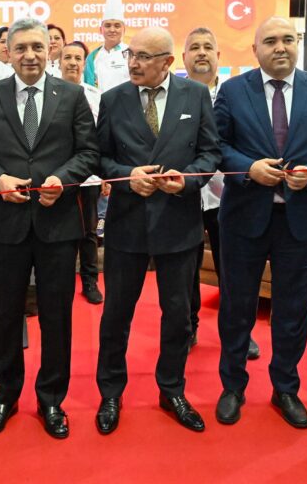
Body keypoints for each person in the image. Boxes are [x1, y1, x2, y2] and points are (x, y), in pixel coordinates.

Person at [213, 18, 307, 429]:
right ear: (255, 49)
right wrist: (248, 168)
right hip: (243, 219)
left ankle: (286, 388)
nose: (280, 47)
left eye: (288, 39)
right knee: (237, 307)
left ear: (298, 44)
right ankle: (233, 386)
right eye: (271, 41)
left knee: (293, 310)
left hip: (301, 219)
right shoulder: (233, 90)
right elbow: (215, 145)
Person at [0, 18, 99, 440]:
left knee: (57, 316)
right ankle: (4, 395)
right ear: (7, 52)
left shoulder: (73, 96)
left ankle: (51, 398)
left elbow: (89, 152)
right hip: (5, 224)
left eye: (37, 47)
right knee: (5, 314)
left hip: (58, 224)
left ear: (49, 50)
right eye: (21, 47)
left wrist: (63, 179)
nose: (30, 55)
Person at [94, 27, 220, 434]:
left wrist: (188, 180)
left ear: (168, 61)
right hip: (127, 223)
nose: (133, 63)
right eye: (131, 54)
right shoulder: (113, 99)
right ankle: (110, 392)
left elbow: (210, 153)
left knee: (178, 315)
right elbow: (99, 157)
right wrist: (127, 176)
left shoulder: (195, 96)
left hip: (178, 222)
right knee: (117, 314)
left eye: (144, 56)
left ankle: (172, 389)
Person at [181, 27, 261, 359]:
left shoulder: (237, 95)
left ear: (218, 56)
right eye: (194, 47)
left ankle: (240, 333)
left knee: (234, 271)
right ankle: (187, 327)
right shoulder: (174, 96)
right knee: (185, 271)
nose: (201, 53)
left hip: (229, 196)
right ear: (184, 57)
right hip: (184, 195)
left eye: (207, 47)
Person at [58, 40, 103, 304]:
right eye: (68, 58)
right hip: (57, 176)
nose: (73, 63)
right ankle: (60, 283)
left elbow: (101, 138)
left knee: (89, 232)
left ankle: (90, 281)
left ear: (84, 64)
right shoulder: (49, 93)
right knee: (59, 233)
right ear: (59, 62)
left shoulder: (96, 96)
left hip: (89, 177)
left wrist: (104, 176)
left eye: (78, 58)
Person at [84, 0, 129, 92]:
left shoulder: (132, 54)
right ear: (101, 30)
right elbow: (89, 87)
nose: (112, 30)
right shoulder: (93, 57)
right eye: (108, 26)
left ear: (124, 29)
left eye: (117, 26)